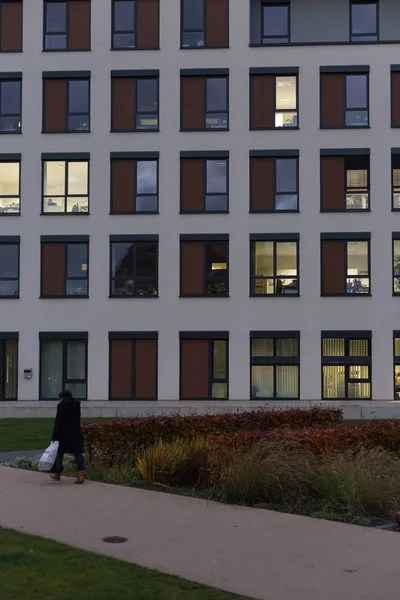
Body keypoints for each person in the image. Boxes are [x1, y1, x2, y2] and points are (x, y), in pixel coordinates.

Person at [50, 389, 85, 484]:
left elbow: (58, 422)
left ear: (62, 397)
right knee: (77, 453)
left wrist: (54, 436)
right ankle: (81, 474)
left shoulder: (61, 405)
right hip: (76, 432)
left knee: (59, 454)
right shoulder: (76, 405)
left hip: (63, 434)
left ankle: (57, 474)